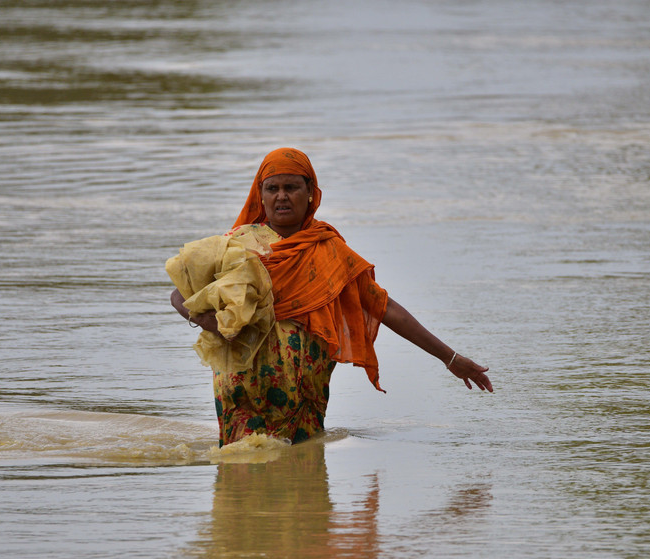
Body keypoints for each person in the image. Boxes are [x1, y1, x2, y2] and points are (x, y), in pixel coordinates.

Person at [170, 148, 492, 447]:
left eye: (291, 187)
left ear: (310, 193)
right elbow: (179, 295)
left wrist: (450, 359)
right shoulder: (236, 247)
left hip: (303, 400)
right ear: (261, 195)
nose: (282, 196)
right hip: (241, 395)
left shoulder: (329, 251)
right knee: (239, 488)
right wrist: (211, 322)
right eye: (272, 188)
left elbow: (385, 307)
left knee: (304, 488)